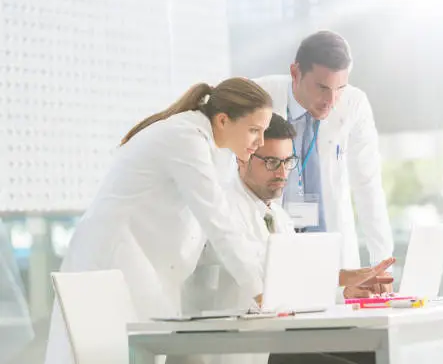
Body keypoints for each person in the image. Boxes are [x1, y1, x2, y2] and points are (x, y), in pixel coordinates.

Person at [44, 78, 275, 364]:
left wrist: (265, 272)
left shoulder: (217, 151)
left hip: (146, 264)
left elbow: (222, 223)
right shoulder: (185, 138)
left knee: (144, 350)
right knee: (113, 354)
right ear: (224, 120)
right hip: (114, 258)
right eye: (254, 130)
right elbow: (218, 222)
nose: (260, 142)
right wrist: (261, 291)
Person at [186, 114, 391, 364]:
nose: (283, 173)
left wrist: (344, 293)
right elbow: (263, 271)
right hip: (237, 350)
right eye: (272, 162)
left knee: (375, 354)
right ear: (242, 157)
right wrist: (340, 276)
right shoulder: (220, 210)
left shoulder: (279, 217)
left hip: (277, 343)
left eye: (288, 161)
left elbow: (296, 290)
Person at [253, 30, 394, 288]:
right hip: (271, 246)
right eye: (322, 87)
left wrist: (381, 263)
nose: (331, 100)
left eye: (340, 88)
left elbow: (368, 185)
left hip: (331, 246)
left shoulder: (354, 104)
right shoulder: (258, 97)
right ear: (295, 73)